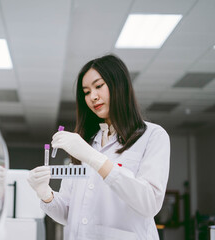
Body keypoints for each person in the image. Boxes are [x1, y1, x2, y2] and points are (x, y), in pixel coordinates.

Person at [27, 54, 170, 240]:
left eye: (99, 86)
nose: (92, 97)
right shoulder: (86, 141)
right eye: (86, 92)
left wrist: (93, 158)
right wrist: (46, 194)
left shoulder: (152, 136)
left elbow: (149, 202)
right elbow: (68, 214)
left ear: (119, 84)